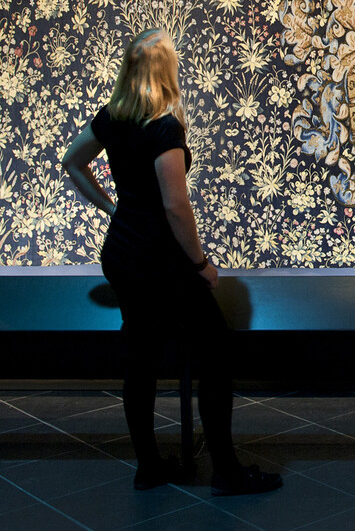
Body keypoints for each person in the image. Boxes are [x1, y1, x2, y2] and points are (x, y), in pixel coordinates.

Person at [63, 29, 282, 496]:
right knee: (216, 352)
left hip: (122, 254)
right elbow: (175, 206)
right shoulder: (164, 128)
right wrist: (201, 263)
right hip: (159, 259)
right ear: (167, 71)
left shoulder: (112, 118)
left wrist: (113, 209)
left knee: (140, 358)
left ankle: (148, 468)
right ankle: (226, 471)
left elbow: (72, 161)